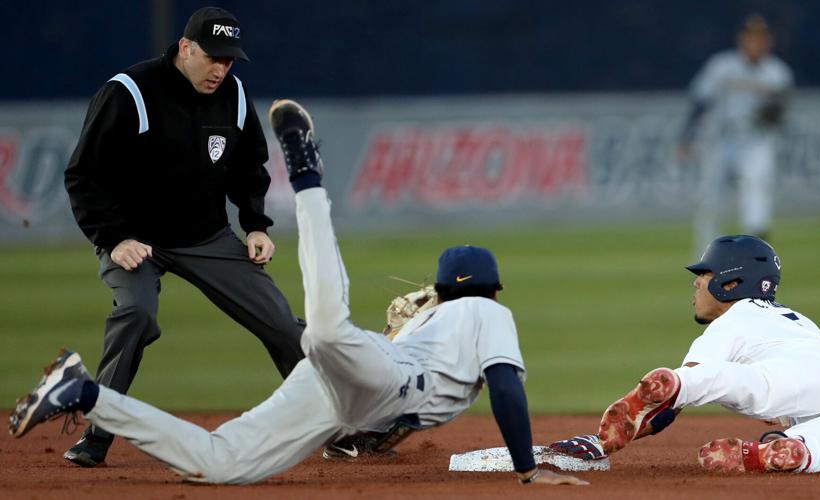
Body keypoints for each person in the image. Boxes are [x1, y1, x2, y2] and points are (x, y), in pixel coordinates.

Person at [12, 99, 587, 486]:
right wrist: (526, 470)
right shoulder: (488, 313)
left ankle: (84, 393)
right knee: (327, 326)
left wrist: (365, 431)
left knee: (221, 464)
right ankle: (307, 175)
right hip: (380, 377)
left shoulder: (432, 320)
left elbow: (396, 408)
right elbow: (505, 388)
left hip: (347, 395)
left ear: (439, 288)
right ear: (494, 290)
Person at [61, 6, 305, 467]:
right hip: (135, 240)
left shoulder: (233, 95)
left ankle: (337, 423)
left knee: (282, 325)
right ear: (186, 48)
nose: (221, 69)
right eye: (213, 57)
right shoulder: (129, 92)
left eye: (229, 60)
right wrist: (114, 237)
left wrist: (255, 224)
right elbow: (83, 175)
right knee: (135, 314)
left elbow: (248, 166)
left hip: (204, 236)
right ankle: (97, 434)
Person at [551, 235, 820, 473]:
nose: (696, 282)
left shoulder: (732, 321)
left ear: (731, 283)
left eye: (705, 274)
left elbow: (667, 408)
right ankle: (788, 450)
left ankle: (681, 381)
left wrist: (600, 441)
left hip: (794, 374)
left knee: (747, 386)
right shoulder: (796, 319)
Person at [678, 15, 794, 255]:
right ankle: (706, 258)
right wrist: (687, 137)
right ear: (742, 40)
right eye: (751, 37)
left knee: (757, 195)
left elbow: (780, 115)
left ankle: (756, 256)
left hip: (756, 140)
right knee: (710, 201)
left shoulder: (777, 73)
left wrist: (771, 110)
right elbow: (700, 100)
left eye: (760, 38)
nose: (756, 43)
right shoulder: (722, 66)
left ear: (768, 41)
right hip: (722, 140)